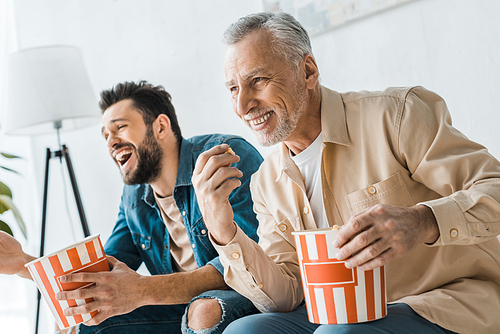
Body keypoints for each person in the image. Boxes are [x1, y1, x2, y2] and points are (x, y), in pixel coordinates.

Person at [191, 12, 500, 334]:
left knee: (338, 332)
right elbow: (283, 297)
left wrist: (423, 221)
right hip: (342, 313)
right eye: (232, 88)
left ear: (307, 71)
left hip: (443, 302)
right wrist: (222, 229)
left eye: (258, 81)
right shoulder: (267, 182)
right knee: (246, 331)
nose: (242, 106)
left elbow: (495, 187)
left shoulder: (396, 115)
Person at [0, 80, 263, 334]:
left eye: (120, 128)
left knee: (204, 310)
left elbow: (249, 264)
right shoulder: (134, 196)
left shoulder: (222, 158)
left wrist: (143, 289)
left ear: (161, 126)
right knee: (87, 320)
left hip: (248, 295)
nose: (110, 142)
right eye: (105, 136)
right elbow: (105, 272)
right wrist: (24, 263)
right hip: (180, 309)